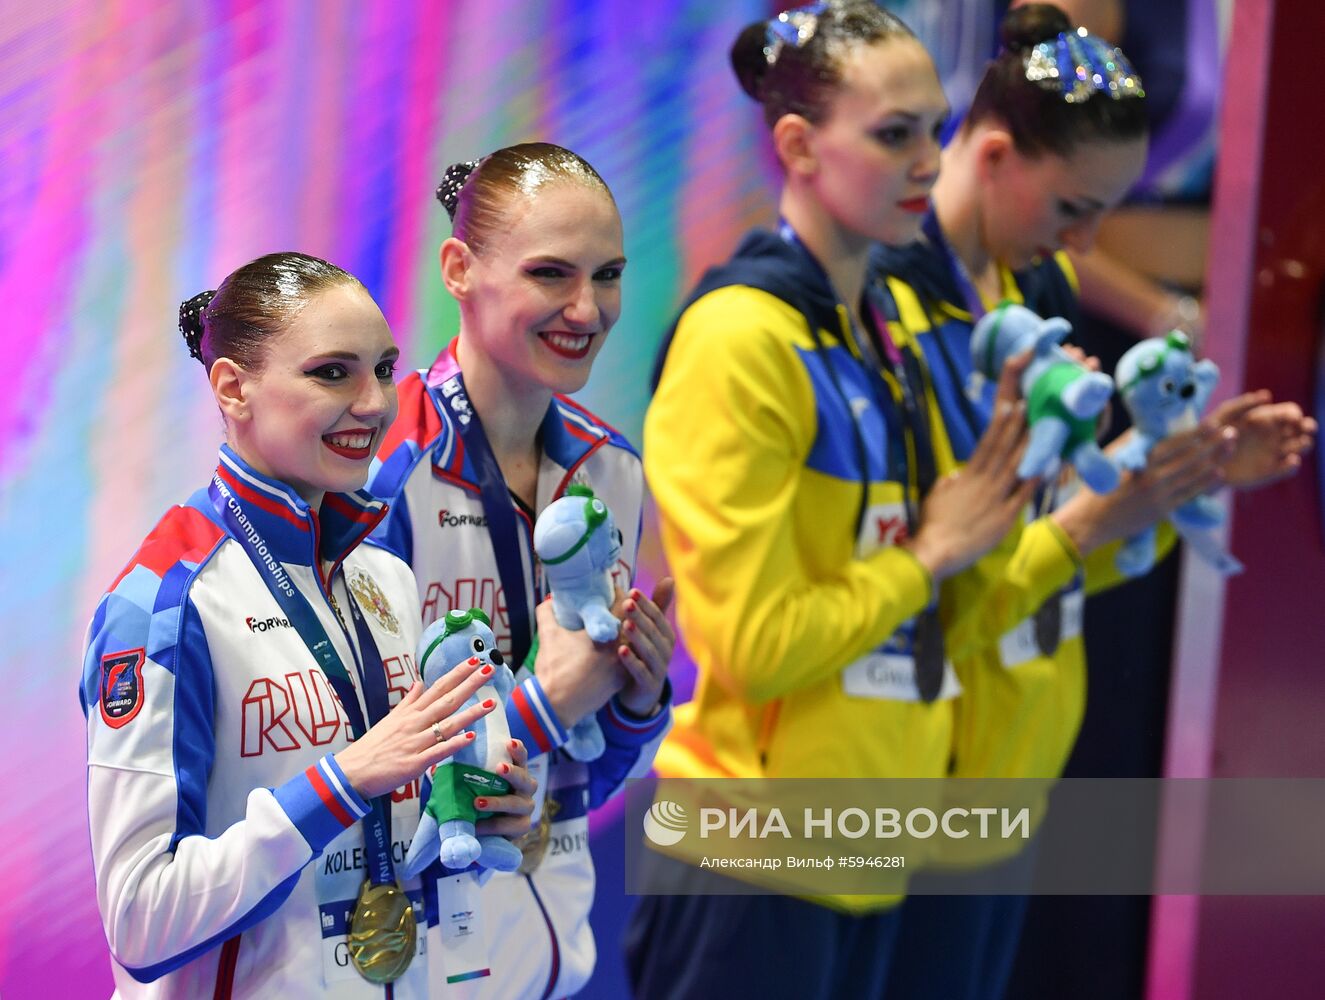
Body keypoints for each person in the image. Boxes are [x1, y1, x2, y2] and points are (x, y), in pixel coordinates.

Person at [867, 6, 1315, 998]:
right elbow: (941, 600)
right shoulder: (890, 319)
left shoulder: (1017, 301)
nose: (1081, 244)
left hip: (1009, 778)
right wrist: (1093, 515)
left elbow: (1048, 559)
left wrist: (1175, 475)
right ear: (992, 156)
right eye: (1072, 210)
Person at [623, 4, 1046, 996]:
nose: (928, 162)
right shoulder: (741, 339)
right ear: (798, 146)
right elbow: (755, 645)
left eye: (936, 129)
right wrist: (925, 556)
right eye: (893, 134)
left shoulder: (885, 322)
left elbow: (951, 601)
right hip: (749, 859)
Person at [80, 251, 537, 998]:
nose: (375, 403)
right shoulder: (166, 604)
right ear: (233, 387)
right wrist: (344, 782)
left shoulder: (383, 575)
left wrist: (472, 812)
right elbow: (141, 922)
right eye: (332, 373)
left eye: (383, 369)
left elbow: (365, 853)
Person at [368, 142, 676, 1000]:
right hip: (410, 962)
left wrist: (637, 705)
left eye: (607, 275)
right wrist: (545, 707)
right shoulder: (377, 474)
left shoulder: (611, 470)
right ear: (458, 270)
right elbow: (355, 774)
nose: (587, 309)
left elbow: (583, 777)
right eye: (550, 274)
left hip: (550, 960)